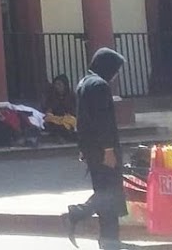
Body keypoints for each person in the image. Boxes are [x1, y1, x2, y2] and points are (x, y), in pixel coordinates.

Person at [64, 48, 128, 250]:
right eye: (115, 69)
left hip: (91, 148)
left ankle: (109, 239)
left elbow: (83, 120)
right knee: (111, 192)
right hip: (103, 149)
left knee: (105, 191)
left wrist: (83, 147)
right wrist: (108, 150)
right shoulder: (100, 85)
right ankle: (79, 212)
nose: (116, 75)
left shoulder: (84, 82)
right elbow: (102, 120)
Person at [42, 74, 77, 141]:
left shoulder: (72, 96)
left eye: (59, 84)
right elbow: (49, 110)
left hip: (67, 118)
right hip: (56, 119)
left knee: (71, 121)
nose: (57, 87)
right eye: (56, 84)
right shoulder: (51, 96)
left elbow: (74, 110)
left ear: (65, 85)